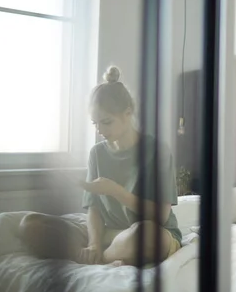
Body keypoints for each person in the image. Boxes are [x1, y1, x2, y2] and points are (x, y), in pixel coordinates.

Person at [18, 66, 181, 266]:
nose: (100, 130)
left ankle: (99, 259)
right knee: (30, 224)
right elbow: (93, 210)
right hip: (108, 234)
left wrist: (115, 191)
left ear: (127, 114)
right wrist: (94, 243)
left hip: (147, 233)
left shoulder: (157, 151)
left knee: (144, 234)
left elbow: (161, 215)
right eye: (95, 124)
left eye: (106, 122)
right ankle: (93, 254)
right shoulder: (97, 153)